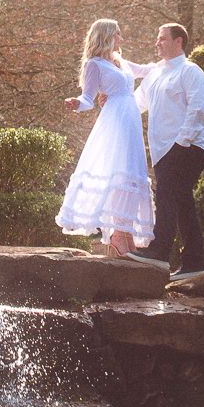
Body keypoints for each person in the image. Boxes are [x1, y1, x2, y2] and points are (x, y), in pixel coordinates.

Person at [57, 19, 155, 256]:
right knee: (119, 172)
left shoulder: (121, 62)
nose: (122, 39)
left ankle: (126, 232)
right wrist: (76, 103)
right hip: (115, 121)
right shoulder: (94, 64)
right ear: (107, 36)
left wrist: (171, 62)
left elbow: (147, 69)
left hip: (131, 120)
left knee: (132, 174)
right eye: (118, 34)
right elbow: (88, 98)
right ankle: (118, 235)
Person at [126, 23, 204, 281]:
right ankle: (194, 263)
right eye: (157, 38)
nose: (157, 43)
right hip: (163, 151)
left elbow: (197, 109)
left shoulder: (190, 71)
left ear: (178, 42)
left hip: (190, 147)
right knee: (182, 201)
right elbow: (135, 104)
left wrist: (181, 143)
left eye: (162, 38)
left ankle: (159, 251)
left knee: (166, 196)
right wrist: (113, 102)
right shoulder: (154, 74)